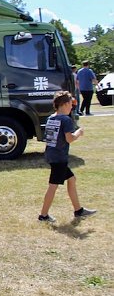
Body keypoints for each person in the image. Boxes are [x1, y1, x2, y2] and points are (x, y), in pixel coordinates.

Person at [38, 91, 97, 223]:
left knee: (71, 179)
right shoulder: (66, 120)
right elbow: (69, 139)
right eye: (71, 104)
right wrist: (78, 133)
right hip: (59, 158)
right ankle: (43, 216)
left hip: (51, 155)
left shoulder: (51, 118)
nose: (72, 106)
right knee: (53, 186)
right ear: (64, 104)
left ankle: (78, 210)